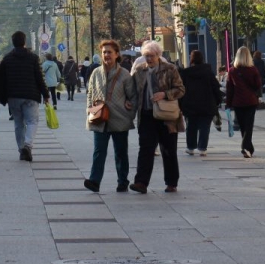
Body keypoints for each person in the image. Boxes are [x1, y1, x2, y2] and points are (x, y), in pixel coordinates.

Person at [129, 40, 185, 194]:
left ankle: (171, 182)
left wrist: (165, 94)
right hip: (147, 114)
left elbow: (180, 89)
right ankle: (141, 182)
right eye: (146, 56)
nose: (149, 59)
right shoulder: (139, 70)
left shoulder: (169, 69)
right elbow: (133, 91)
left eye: (152, 56)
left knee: (168, 150)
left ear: (158, 55)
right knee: (145, 149)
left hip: (166, 116)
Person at [83, 40, 137, 193]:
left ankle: (122, 181)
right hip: (99, 118)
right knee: (99, 151)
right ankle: (94, 181)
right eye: (104, 52)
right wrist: (90, 109)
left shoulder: (124, 74)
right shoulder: (96, 73)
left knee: (120, 152)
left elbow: (133, 97)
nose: (106, 55)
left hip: (120, 119)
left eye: (109, 52)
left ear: (116, 54)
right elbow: (90, 92)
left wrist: (129, 114)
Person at [0, 30, 50, 162]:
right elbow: (39, 77)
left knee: (18, 123)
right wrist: (45, 94)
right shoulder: (33, 58)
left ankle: (22, 149)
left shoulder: (7, 59)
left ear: (13, 42)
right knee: (32, 121)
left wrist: (2, 97)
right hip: (30, 95)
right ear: (24, 42)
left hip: (13, 96)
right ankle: (28, 145)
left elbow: (1, 79)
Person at [179, 50, 222, 156]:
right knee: (205, 127)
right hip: (207, 104)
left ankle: (190, 147)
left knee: (191, 126)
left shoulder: (186, 73)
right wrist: (217, 101)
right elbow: (215, 87)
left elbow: (181, 90)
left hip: (190, 104)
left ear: (191, 59)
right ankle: (202, 148)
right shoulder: (208, 72)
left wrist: (180, 104)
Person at [226, 46, 262, 159]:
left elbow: (229, 89)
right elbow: (258, 85)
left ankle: (247, 148)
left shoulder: (232, 71)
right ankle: (247, 148)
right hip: (251, 101)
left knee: (242, 126)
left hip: (238, 102)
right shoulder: (253, 70)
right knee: (248, 125)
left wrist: (228, 103)